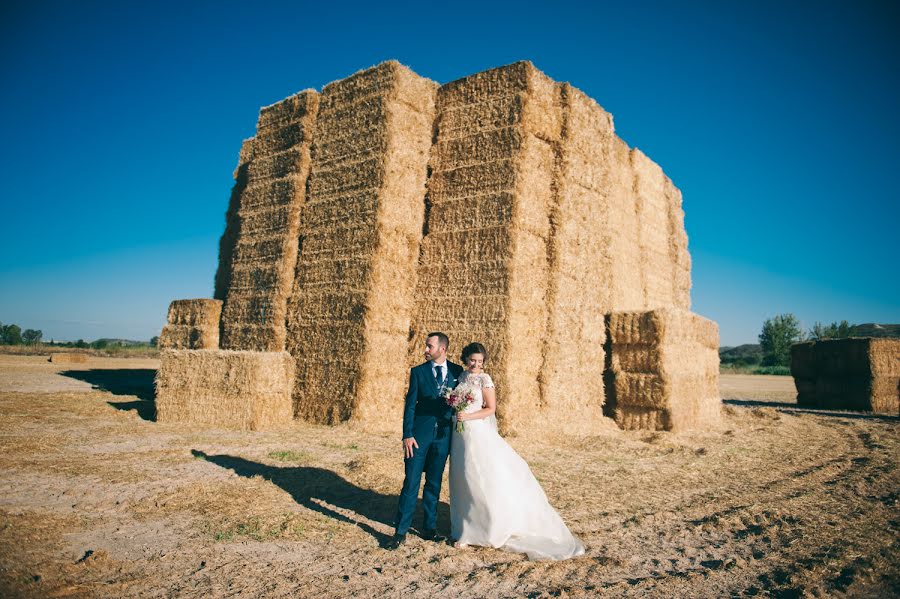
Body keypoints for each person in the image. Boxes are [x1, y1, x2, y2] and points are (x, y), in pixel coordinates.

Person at [448, 342, 585, 560]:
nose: (476, 364)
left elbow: (491, 409)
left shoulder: (485, 379)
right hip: (459, 434)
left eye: (480, 361)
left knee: (478, 477)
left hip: (477, 432)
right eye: (473, 360)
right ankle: (466, 530)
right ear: (466, 359)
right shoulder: (461, 377)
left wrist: (468, 416)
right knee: (462, 479)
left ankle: (488, 530)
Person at [385, 332, 464, 550]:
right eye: (426, 346)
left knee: (434, 483)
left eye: (429, 346)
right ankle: (400, 531)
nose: (425, 350)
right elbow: (410, 405)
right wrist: (407, 434)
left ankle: (429, 528)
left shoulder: (458, 372)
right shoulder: (418, 372)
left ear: (442, 349)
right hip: (418, 437)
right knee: (411, 482)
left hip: (444, 438)